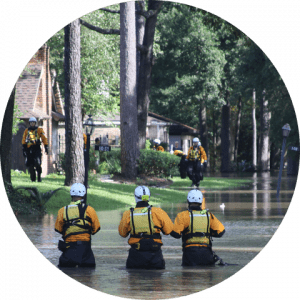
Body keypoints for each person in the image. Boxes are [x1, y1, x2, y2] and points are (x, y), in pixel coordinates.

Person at [118, 186, 174, 269]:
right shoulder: (158, 212)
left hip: (135, 256)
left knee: (134, 278)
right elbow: (168, 230)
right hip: (155, 256)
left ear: (135, 197)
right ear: (149, 197)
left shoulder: (128, 214)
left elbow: (122, 233)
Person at [170, 189, 225, 266]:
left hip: (190, 254)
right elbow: (220, 232)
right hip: (206, 252)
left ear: (188, 201)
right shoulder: (208, 215)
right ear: (201, 201)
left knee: (188, 276)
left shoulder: (182, 215)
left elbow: (176, 234)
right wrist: (207, 232)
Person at [55, 183, 100, 268]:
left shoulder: (62, 211)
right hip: (85, 252)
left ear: (71, 194)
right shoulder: (89, 210)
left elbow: (59, 229)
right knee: (88, 276)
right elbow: (95, 229)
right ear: (83, 194)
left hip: (69, 250)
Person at [22, 117, 48, 182]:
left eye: (33, 122)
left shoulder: (39, 130)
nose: (32, 124)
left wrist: (46, 147)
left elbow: (44, 138)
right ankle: (33, 179)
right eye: (31, 122)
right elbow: (24, 140)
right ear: (29, 123)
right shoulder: (26, 131)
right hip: (29, 149)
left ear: (35, 123)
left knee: (38, 163)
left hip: (37, 149)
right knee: (30, 164)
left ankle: (39, 177)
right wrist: (24, 149)